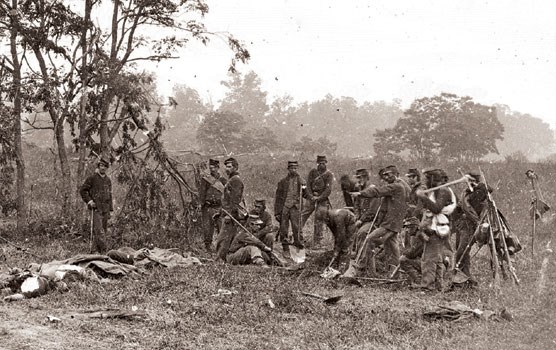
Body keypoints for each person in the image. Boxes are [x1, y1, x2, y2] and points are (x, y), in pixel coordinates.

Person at [345, 165, 407, 277]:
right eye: (385, 175)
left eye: (389, 174)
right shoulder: (394, 187)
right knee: (393, 248)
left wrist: (361, 193)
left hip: (390, 224)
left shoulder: (396, 187)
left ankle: (360, 267)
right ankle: (396, 276)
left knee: (370, 239)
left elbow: (378, 191)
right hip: (391, 223)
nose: (386, 177)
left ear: (396, 174)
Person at [415, 168, 457, 291]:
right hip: (435, 226)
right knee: (437, 259)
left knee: (429, 258)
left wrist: (423, 197)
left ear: (432, 179)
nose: (424, 181)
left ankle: (427, 287)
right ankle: (439, 286)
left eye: (426, 178)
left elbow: (437, 208)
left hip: (437, 228)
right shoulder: (438, 190)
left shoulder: (443, 191)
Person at [453, 170, 492, 283]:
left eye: (469, 181)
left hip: (470, 227)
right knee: (460, 251)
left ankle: (460, 276)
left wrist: (476, 185)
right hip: (462, 225)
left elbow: (488, 189)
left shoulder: (479, 192)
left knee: (462, 252)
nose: (466, 183)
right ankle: (466, 278)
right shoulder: (467, 193)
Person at [351, 168, 383, 274]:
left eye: (361, 177)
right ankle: (354, 263)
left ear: (366, 178)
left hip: (372, 221)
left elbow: (372, 211)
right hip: (361, 220)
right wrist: (356, 217)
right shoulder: (358, 189)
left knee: (362, 234)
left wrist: (361, 220)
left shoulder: (373, 190)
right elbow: (356, 206)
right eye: (358, 178)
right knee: (353, 236)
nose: (359, 180)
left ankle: (362, 265)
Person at [80, 157, 113, 253]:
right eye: (101, 166)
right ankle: (105, 252)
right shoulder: (92, 178)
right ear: (98, 167)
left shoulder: (108, 180)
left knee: (103, 231)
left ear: (107, 168)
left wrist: (110, 210)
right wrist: (89, 201)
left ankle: (94, 251)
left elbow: (109, 195)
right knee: (99, 231)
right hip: (96, 209)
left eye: (105, 166)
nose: (103, 168)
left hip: (105, 210)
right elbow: (83, 190)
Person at [215, 157, 246, 261]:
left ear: (235, 167)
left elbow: (234, 201)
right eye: (226, 167)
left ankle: (221, 260)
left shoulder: (236, 180)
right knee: (225, 238)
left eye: (229, 167)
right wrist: (220, 212)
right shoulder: (232, 180)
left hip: (230, 216)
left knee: (223, 238)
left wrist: (229, 215)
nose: (226, 169)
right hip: (227, 214)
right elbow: (226, 200)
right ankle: (222, 259)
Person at [301, 155, 334, 246]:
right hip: (311, 196)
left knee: (319, 217)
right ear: (317, 163)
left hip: (322, 198)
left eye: (323, 163)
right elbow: (308, 185)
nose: (321, 165)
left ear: (326, 163)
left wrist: (319, 198)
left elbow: (328, 190)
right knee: (303, 215)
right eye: (319, 163)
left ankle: (317, 241)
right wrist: (311, 196)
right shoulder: (313, 172)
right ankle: (296, 236)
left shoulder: (329, 174)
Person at [274, 161, 305, 258]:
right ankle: (286, 249)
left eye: (295, 168)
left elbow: (305, 194)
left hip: (295, 208)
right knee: (284, 228)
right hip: (285, 208)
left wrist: (312, 196)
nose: (293, 170)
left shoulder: (301, 181)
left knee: (297, 228)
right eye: (292, 168)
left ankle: (299, 247)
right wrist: (277, 212)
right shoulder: (282, 182)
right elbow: (278, 198)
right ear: (288, 169)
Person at [198, 159, 227, 251]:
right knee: (208, 228)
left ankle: (221, 248)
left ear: (218, 168)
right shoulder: (206, 179)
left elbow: (226, 194)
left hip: (219, 207)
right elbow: (202, 193)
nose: (212, 170)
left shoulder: (222, 180)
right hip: (208, 207)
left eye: (214, 168)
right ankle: (208, 247)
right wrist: (201, 205)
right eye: (211, 168)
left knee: (221, 228)